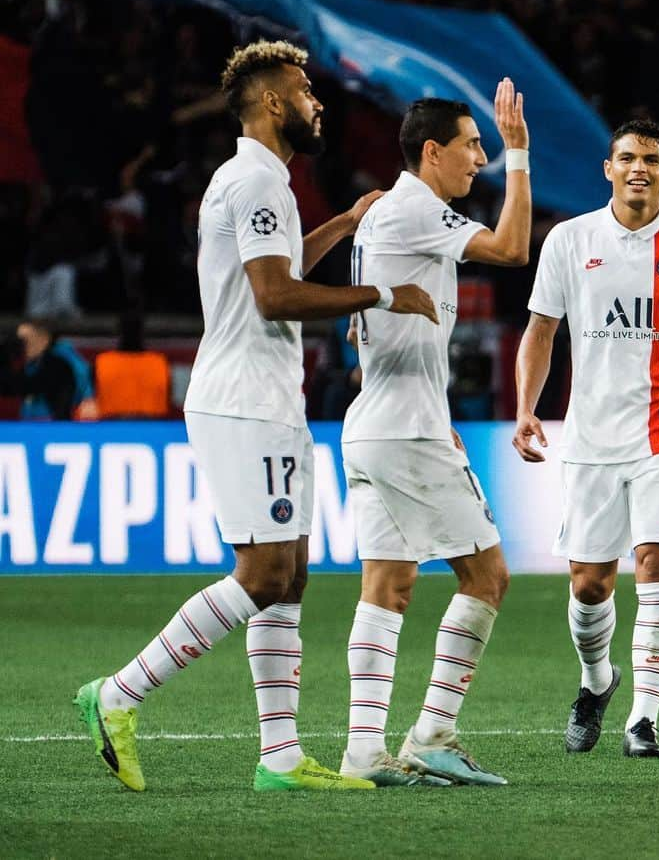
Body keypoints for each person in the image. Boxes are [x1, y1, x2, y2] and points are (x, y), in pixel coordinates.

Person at [74, 39, 438, 793]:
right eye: (306, 90)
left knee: (292, 575)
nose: (317, 102)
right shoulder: (259, 184)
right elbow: (275, 297)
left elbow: (268, 275)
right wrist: (382, 295)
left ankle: (280, 757)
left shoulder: (250, 178)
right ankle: (117, 694)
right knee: (265, 571)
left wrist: (340, 224)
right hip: (245, 402)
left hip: (265, 399)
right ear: (273, 102)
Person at [513, 119, 659, 759]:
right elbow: (540, 331)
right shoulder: (568, 240)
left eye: (651, 159)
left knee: (657, 565)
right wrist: (526, 408)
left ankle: (643, 719)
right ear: (607, 168)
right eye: (627, 158)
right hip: (589, 437)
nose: (638, 167)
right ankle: (597, 682)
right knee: (589, 585)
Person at [338, 80, 531, 787]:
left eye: (486, 146)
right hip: (404, 433)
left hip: (378, 428)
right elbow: (512, 247)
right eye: (471, 145)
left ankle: (364, 752)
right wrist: (521, 154)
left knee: (386, 586)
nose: (479, 157)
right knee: (488, 575)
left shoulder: (395, 214)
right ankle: (432, 733)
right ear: (431, 152)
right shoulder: (415, 209)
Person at [0, 317, 94, 420]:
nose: (22, 343)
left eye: (25, 339)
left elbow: (82, 376)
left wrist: (88, 399)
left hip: (52, 422)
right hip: (30, 421)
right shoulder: (30, 359)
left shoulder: (62, 357)